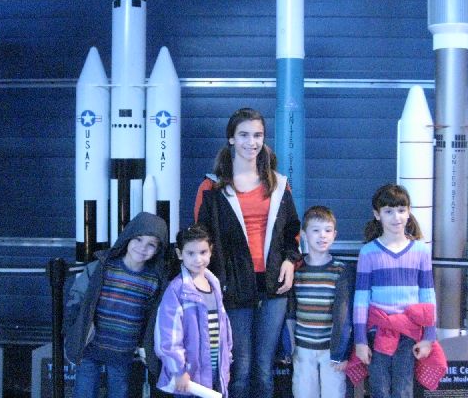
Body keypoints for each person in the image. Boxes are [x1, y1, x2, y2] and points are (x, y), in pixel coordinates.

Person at [194, 107, 301, 398]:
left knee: (264, 369)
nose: (251, 142)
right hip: (233, 284)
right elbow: (201, 240)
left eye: (257, 135)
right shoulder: (211, 187)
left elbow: (292, 231)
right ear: (231, 138)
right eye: (243, 135)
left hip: (273, 284)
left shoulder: (279, 184)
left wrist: (290, 261)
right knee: (239, 368)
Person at [64, 212, 168, 398]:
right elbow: (77, 298)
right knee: (84, 391)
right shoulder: (102, 267)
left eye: (151, 244)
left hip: (123, 352)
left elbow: (150, 318)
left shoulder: (154, 281)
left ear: (158, 249)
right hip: (90, 346)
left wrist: (144, 346)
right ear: (128, 237)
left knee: (119, 392)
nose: (142, 247)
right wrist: (72, 329)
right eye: (138, 239)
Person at [353, 184, 437, 398]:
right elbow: (361, 300)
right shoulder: (368, 252)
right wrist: (360, 340)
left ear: (409, 212)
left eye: (401, 210)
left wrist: (429, 337)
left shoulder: (421, 251)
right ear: (377, 215)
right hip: (376, 332)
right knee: (379, 390)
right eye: (388, 211)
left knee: (403, 390)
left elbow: (427, 295)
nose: (396, 217)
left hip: (409, 334)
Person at [154, 223, 233, 397]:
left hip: (215, 372)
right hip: (189, 379)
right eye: (191, 253)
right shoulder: (177, 290)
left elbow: (224, 327)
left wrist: (226, 361)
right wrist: (178, 370)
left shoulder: (214, 284)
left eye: (203, 252)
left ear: (211, 250)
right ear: (179, 254)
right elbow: (169, 336)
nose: (198, 259)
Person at [290, 205, 354, 398]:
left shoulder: (341, 270)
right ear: (304, 234)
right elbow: (290, 311)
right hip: (302, 348)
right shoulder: (296, 270)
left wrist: (342, 353)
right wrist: (289, 347)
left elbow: (345, 316)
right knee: (303, 393)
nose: (322, 236)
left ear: (334, 234)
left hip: (331, 351)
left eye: (327, 230)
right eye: (316, 230)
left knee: (334, 393)